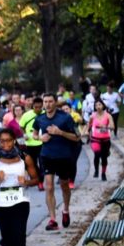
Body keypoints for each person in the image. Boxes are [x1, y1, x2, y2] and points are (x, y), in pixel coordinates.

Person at [0, 129, 40, 246]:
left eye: (8, 140)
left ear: (14, 141)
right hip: (1, 203)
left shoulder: (24, 158)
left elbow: (35, 179)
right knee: (7, 236)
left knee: (20, 237)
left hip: (20, 201)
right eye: (2, 141)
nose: (5, 144)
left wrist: (25, 182)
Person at [34, 93, 81, 230]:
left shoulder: (65, 118)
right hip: (47, 156)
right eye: (45, 102)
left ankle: (65, 210)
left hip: (64, 156)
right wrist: (39, 139)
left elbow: (77, 137)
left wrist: (60, 132)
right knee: (49, 187)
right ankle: (52, 219)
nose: (47, 104)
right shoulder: (40, 118)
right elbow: (34, 134)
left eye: (50, 101)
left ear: (55, 103)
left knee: (64, 185)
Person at [88, 99, 115, 180]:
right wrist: (87, 133)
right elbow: (89, 126)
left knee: (104, 157)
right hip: (95, 139)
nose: (98, 107)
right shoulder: (92, 116)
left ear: (103, 105)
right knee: (97, 153)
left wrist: (106, 127)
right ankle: (96, 170)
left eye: (99, 105)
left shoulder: (108, 115)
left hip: (106, 140)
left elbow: (113, 127)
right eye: (96, 105)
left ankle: (103, 173)